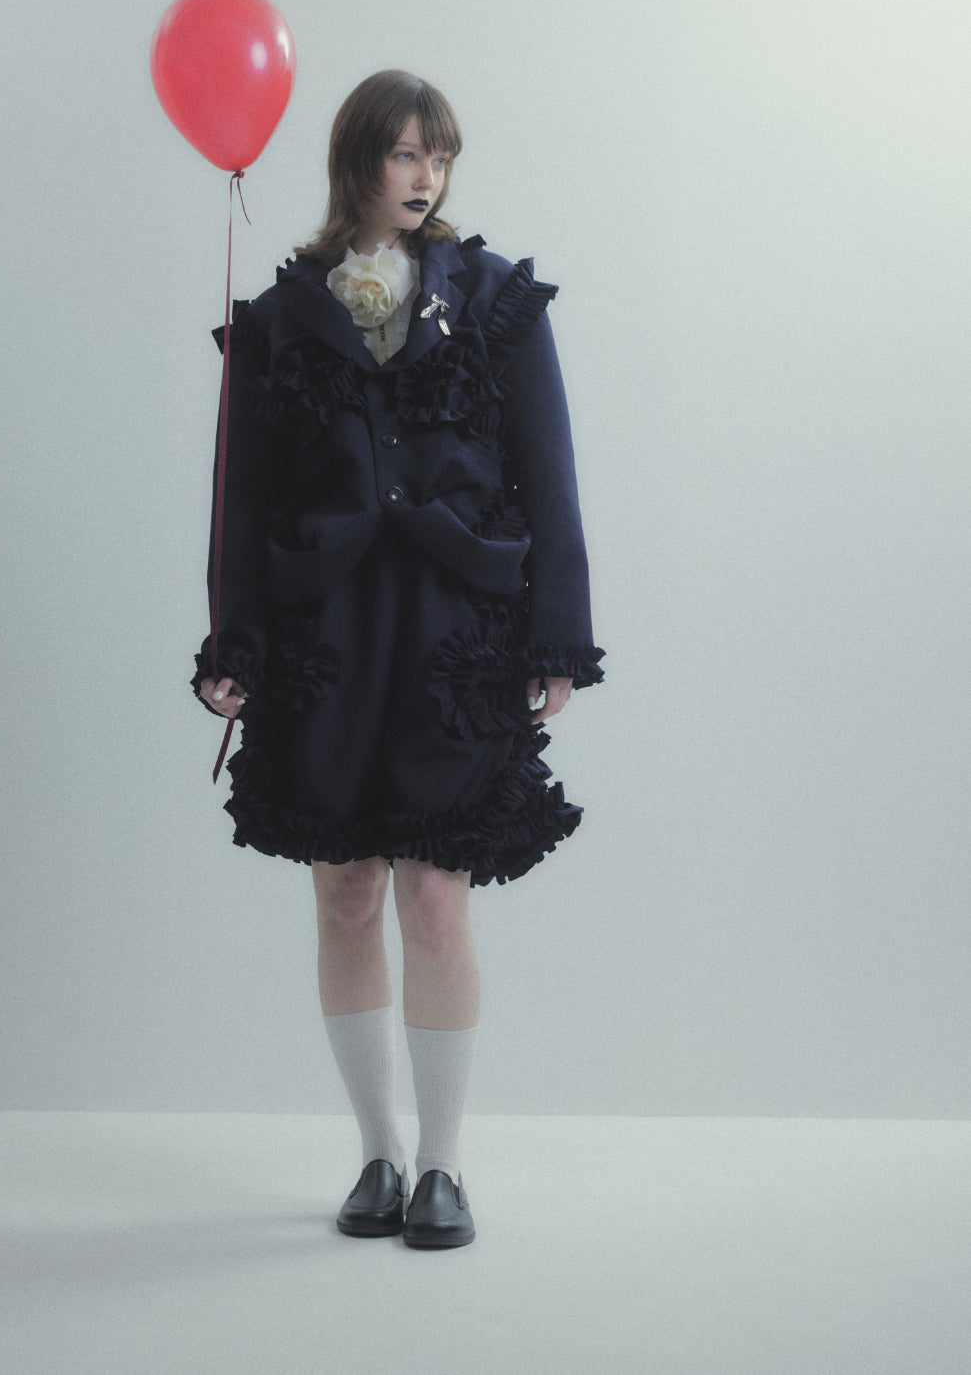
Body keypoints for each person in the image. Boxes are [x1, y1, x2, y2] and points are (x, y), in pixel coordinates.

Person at [193, 70, 603, 1249]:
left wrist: (556, 633)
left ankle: (443, 1164)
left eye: (441, 156)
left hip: (451, 628)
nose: (426, 177)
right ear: (358, 161)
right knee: (345, 888)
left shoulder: (496, 300)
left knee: (432, 893)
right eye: (407, 154)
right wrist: (235, 638)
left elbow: (550, 473)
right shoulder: (282, 315)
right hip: (324, 631)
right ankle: (376, 1152)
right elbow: (241, 494)